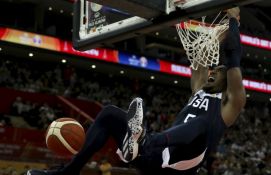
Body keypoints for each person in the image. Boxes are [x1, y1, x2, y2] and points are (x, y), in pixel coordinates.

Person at [27, 7, 245, 175]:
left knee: (201, 125)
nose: (211, 72)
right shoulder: (198, 88)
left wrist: (233, 20)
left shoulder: (230, 105)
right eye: (211, 70)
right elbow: (200, 57)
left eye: (216, 71)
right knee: (110, 114)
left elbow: (234, 55)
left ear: (228, 80)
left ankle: (143, 141)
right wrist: (208, 33)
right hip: (156, 157)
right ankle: (68, 173)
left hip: (179, 167)